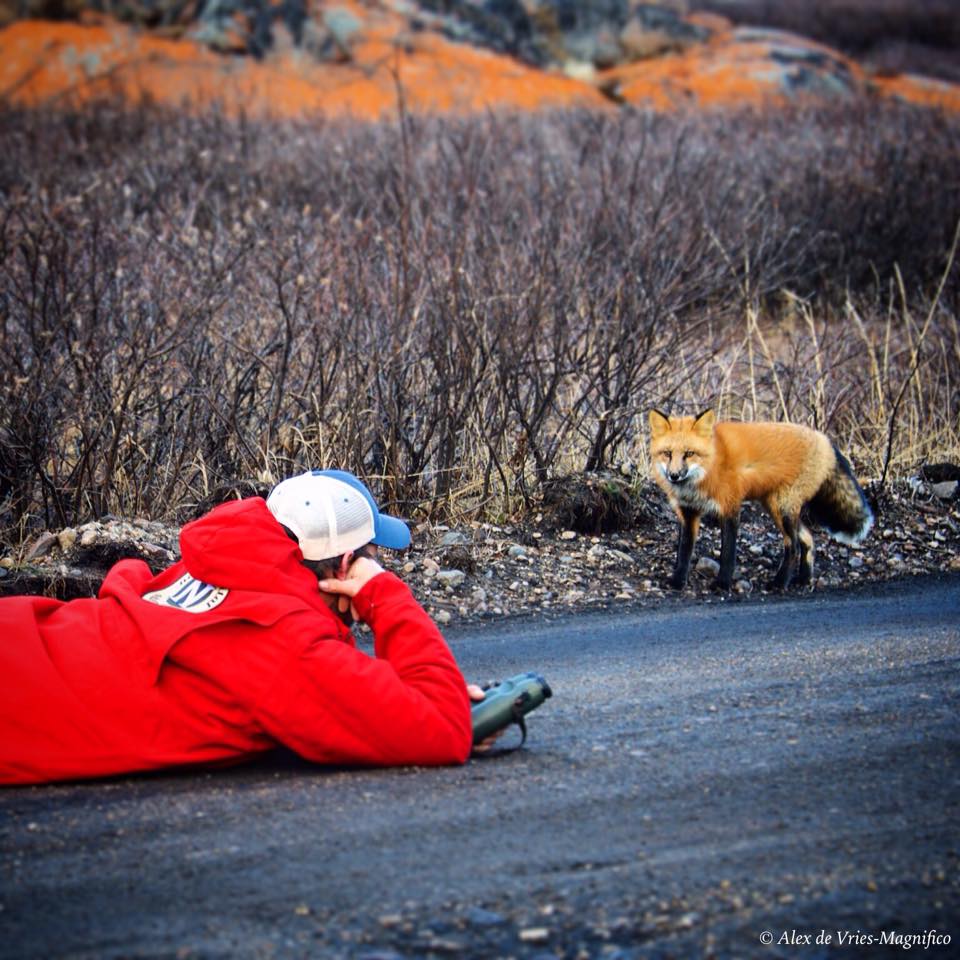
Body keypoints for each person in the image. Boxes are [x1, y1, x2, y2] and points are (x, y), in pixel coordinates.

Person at [0, 470, 482, 785]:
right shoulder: (288, 643)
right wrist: (383, 594)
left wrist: (404, 688)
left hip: (25, 638)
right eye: (374, 559)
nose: (380, 569)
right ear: (345, 565)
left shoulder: (223, 571)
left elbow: (310, 679)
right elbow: (443, 728)